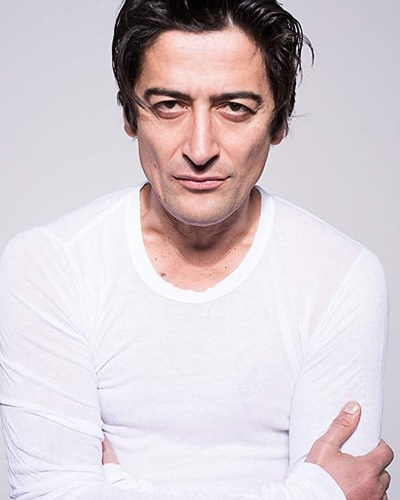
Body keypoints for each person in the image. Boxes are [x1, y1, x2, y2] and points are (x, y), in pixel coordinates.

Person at [0, 1, 393, 499]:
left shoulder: (341, 275)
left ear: (278, 123)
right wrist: (316, 492)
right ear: (130, 115)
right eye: (169, 105)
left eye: (235, 108)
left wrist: (115, 486)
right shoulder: (50, 265)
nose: (200, 148)